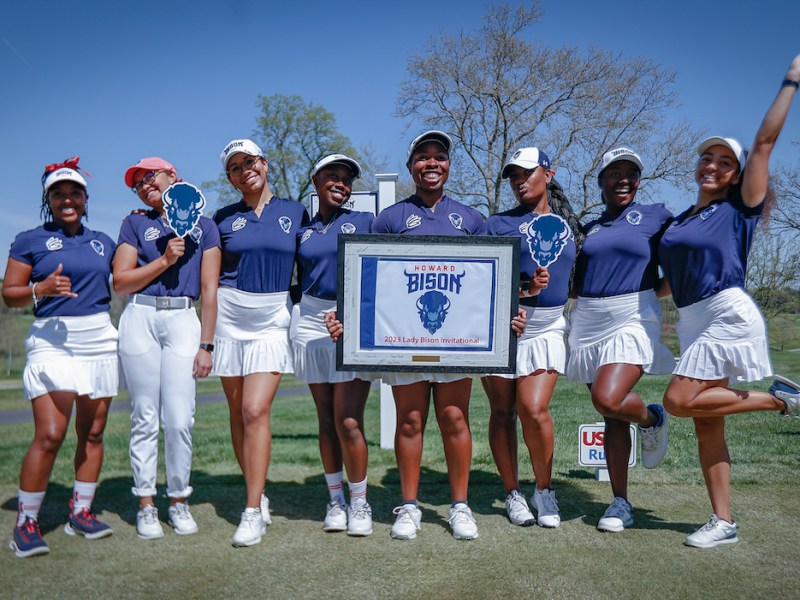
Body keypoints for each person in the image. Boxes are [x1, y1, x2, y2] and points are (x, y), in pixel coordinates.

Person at [660, 55, 800, 548]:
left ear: (738, 174)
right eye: (707, 158)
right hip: (692, 319)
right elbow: (669, 283)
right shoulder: (679, 221)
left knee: (678, 401)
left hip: (726, 313)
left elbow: (764, 142)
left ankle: (783, 401)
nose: (713, 166)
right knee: (705, 424)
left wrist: (791, 81)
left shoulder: (739, 209)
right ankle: (724, 522)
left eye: (725, 162)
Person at [327, 131, 496, 541]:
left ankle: (459, 506)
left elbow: (490, 284)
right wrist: (348, 323)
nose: (432, 164)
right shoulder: (389, 219)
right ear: (411, 166)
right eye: (423, 157)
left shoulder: (472, 219)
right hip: (406, 341)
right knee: (411, 420)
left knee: (454, 418)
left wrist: (506, 319)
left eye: (440, 157)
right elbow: (369, 283)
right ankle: (409, 506)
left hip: (458, 344)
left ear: (449, 165)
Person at [3, 158, 118, 557]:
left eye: (74, 192)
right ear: (48, 199)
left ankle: (80, 512)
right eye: (58, 193)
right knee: (50, 434)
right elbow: (9, 293)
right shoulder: (29, 240)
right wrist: (42, 287)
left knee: (93, 433)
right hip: (53, 341)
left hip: (100, 338)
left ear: (85, 198)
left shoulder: (104, 241)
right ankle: (26, 523)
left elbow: (126, 277)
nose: (67, 199)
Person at [567, 147, 675, 533]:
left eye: (631, 172)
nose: (623, 179)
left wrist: (653, 293)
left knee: (608, 397)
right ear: (601, 181)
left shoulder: (656, 216)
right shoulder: (590, 229)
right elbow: (574, 278)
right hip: (588, 318)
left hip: (632, 314)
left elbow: (682, 259)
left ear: (639, 181)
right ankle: (620, 502)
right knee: (609, 413)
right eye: (614, 173)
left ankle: (652, 418)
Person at [113, 158, 220, 539]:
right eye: (136, 183)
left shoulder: (206, 227)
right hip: (140, 317)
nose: (143, 186)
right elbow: (121, 283)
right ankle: (146, 503)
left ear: (172, 177)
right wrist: (164, 259)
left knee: (179, 419)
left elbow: (209, 290)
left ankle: (178, 500)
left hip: (182, 320)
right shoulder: (135, 223)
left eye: (149, 177)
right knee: (144, 416)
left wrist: (207, 344)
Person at [213, 139, 309, 546]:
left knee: (255, 409)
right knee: (237, 412)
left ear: (264, 164)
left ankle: (251, 511)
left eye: (249, 161)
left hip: (272, 317)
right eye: (234, 167)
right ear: (231, 178)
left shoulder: (295, 211)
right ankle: (259, 493)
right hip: (229, 316)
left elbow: (316, 258)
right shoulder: (220, 219)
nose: (243, 170)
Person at [482, 148, 577, 528]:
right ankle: (512, 493)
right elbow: (482, 282)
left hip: (548, 326)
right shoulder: (497, 224)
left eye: (527, 173)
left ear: (548, 174)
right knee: (502, 412)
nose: (520, 181)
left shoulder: (571, 225)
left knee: (533, 410)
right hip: (502, 326)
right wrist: (520, 293)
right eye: (513, 176)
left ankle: (544, 489)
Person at [291, 154, 374, 536]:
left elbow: (377, 275)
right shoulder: (302, 229)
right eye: (332, 176)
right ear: (315, 180)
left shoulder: (363, 222)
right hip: (309, 322)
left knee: (349, 419)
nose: (340, 183)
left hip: (350, 324)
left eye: (346, 179)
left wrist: (352, 313)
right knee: (325, 418)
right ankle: (336, 499)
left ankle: (360, 502)